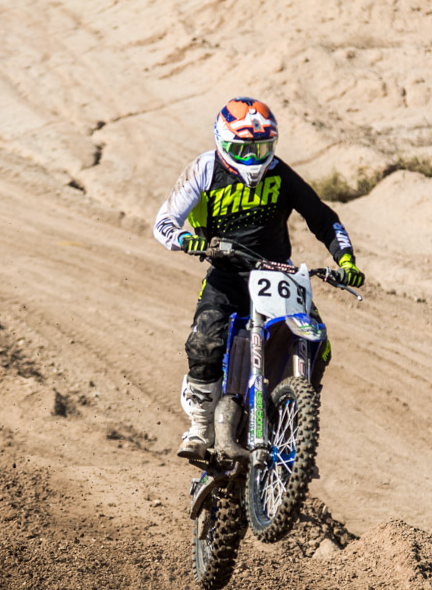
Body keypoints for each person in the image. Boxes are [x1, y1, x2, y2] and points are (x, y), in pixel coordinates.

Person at [153, 97, 366, 460]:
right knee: (204, 340)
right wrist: (186, 239)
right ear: (223, 143)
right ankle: (201, 428)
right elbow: (164, 222)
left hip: (277, 273)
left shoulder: (280, 173)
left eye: (262, 148)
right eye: (243, 150)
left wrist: (346, 260)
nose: (253, 158)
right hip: (227, 273)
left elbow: (323, 217)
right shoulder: (205, 169)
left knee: (319, 341)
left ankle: (295, 424)